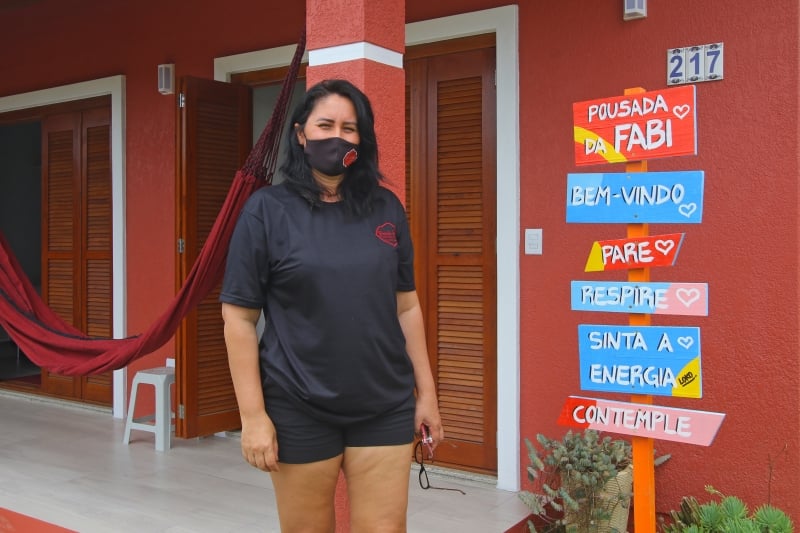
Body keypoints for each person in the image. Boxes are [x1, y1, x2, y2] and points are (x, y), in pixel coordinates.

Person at [220, 79, 443, 533]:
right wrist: (253, 417)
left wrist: (427, 396)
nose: (337, 136)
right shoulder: (266, 211)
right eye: (325, 125)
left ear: (362, 139)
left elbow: (406, 307)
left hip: (384, 403)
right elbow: (238, 317)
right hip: (297, 402)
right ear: (301, 134)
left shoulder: (386, 209)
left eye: (349, 127)